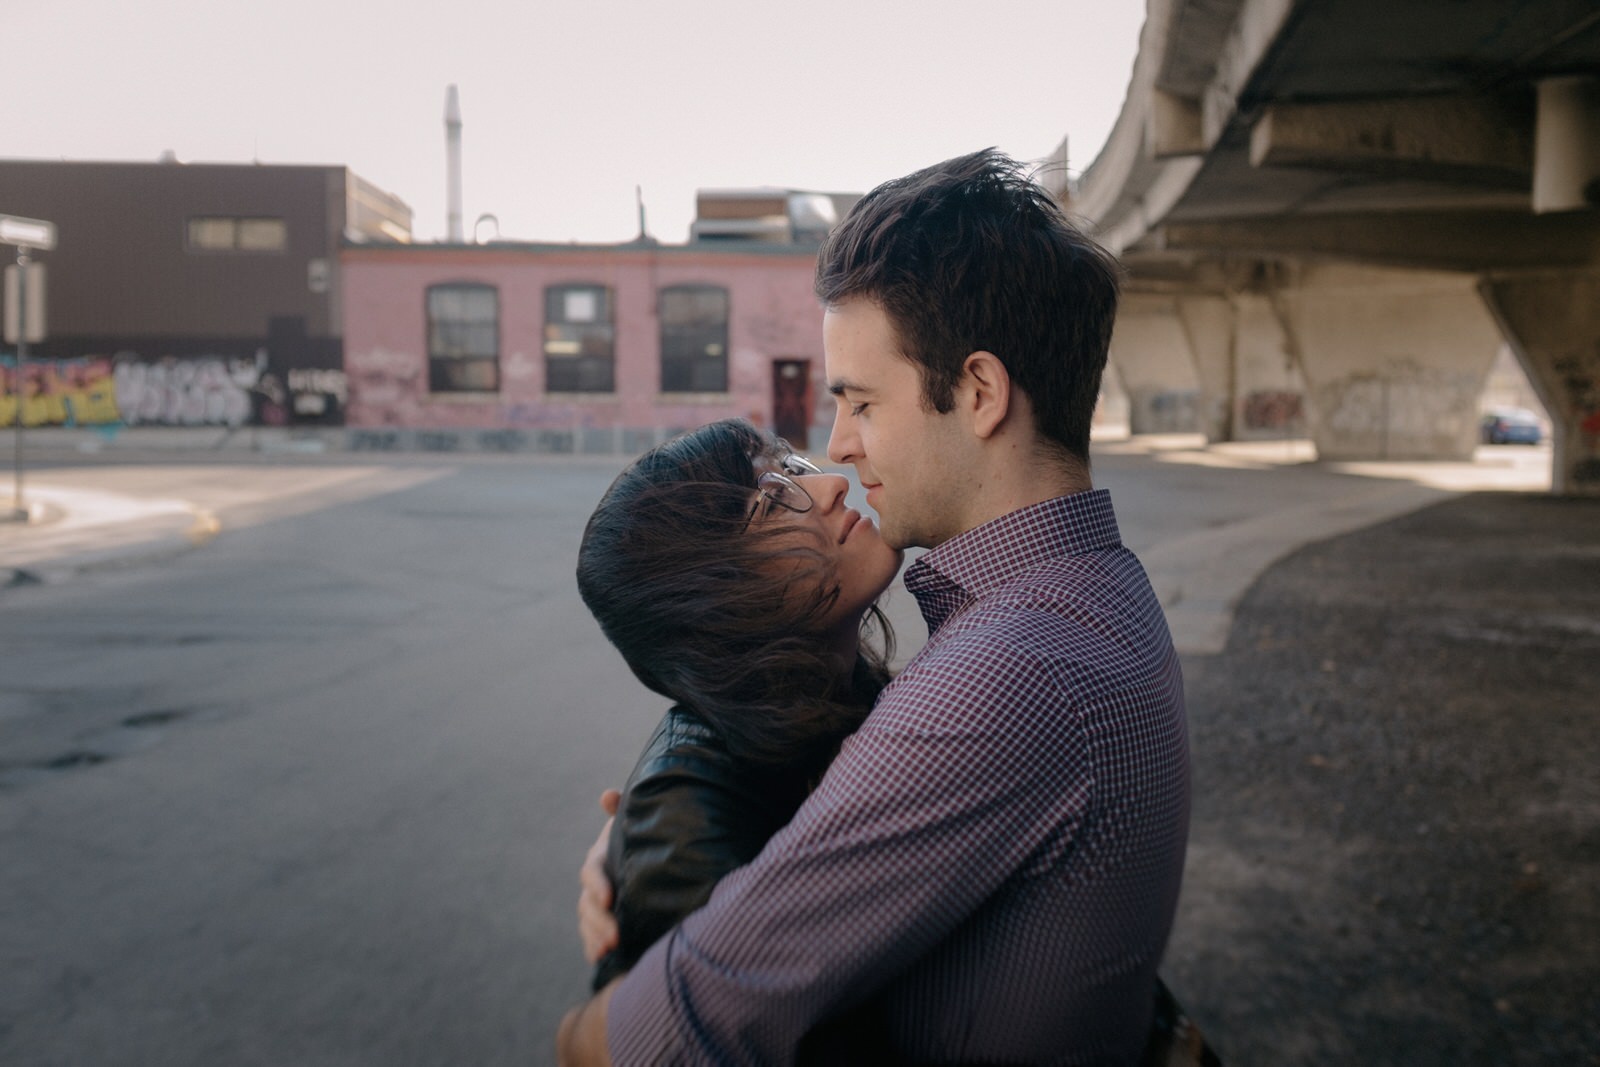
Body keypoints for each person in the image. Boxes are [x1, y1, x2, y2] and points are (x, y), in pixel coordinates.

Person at [559, 148, 1192, 1065]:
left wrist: (581, 1025)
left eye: (859, 401)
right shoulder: (1091, 595)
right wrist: (665, 847)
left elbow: (664, 1032)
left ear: (978, 393)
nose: (837, 450)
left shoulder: (1007, 674)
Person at [573, 418, 900, 1023]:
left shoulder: (848, 698)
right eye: (774, 502)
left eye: (792, 469)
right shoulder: (687, 819)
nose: (831, 485)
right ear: (714, 600)